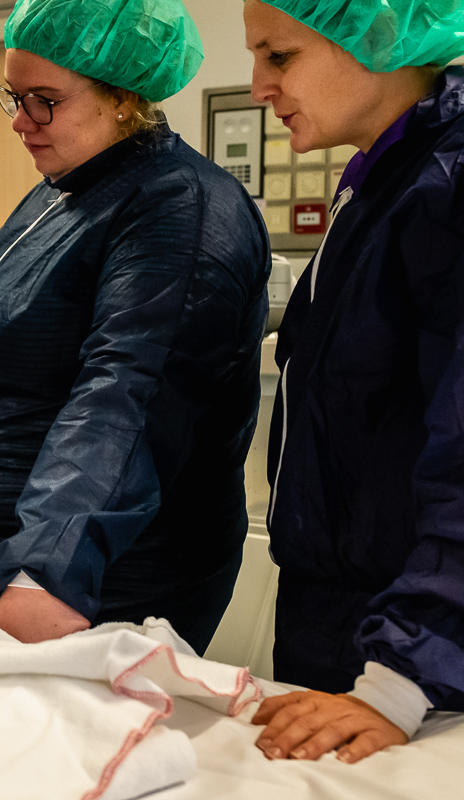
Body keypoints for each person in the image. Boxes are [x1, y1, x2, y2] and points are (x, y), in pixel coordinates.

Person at [0, 0, 271, 654]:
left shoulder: (179, 209)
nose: (21, 121)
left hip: (100, 580)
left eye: (44, 100)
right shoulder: (65, 189)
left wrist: (49, 566)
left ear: (123, 97)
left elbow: (127, 393)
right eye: (14, 97)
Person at [241, 0, 464, 765]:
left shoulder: (447, 187)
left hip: (423, 654)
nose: (257, 85)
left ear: (372, 30)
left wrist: (406, 676)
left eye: (278, 56)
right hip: (345, 618)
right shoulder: (380, 181)